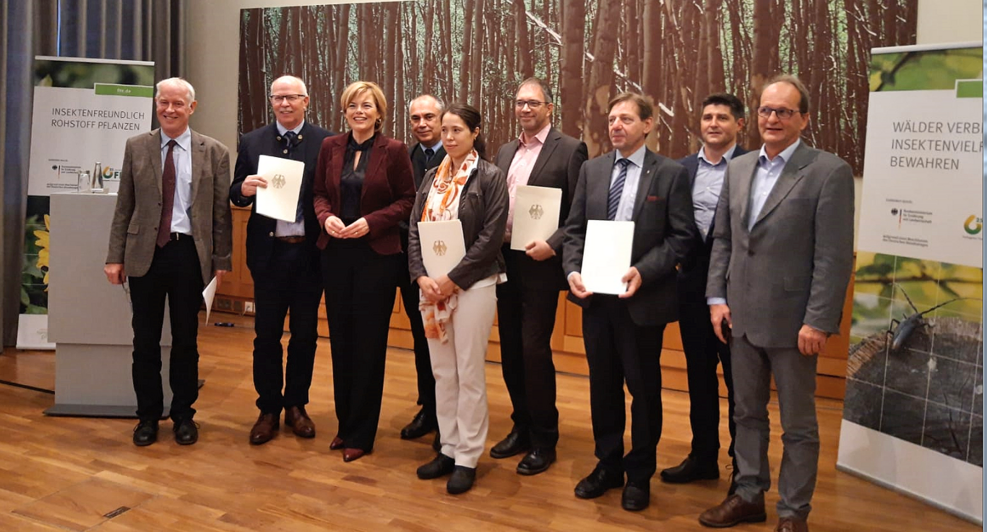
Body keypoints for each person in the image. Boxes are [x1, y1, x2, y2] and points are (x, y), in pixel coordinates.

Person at [699, 75, 854, 532]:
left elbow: (833, 256)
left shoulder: (828, 171)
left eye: (784, 111)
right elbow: (724, 240)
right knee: (745, 413)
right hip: (740, 317)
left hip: (794, 326)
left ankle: (793, 513)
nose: (772, 119)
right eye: (766, 110)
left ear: (803, 118)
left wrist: (819, 321)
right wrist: (716, 298)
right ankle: (749, 494)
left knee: (798, 426)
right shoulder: (740, 168)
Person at [562, 93, 697, 511]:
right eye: (612, 119)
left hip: (642, 301)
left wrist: (644, 271)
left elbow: (681, 237)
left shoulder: (670, 174)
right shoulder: (592, 169)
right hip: (597, 300)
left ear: (648, 124)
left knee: (643, 390)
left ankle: (639, 474)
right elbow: (573, 232)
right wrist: (572, 272)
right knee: (602, 387)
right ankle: (608, 464)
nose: (615, 125)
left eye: (625, 119)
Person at [105, 77, 232, 446]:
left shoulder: (214, 152)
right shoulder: (136, 146)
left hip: (189, 256)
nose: (170, 110)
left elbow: (221, 214)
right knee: (143, 341)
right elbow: (123, 206)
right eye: (164, 102)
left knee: (185, 341)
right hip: (144, 256)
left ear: (192, 108)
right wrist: (114, 257)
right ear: (156, 104)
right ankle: (147, 416)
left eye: (178, 104)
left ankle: (183, 415)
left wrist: (221, 263)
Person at [312, 81, 416, 462]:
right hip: (336, 253)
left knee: (368, 344)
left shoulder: (395, 151)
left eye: (367, 105)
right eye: (353, 105)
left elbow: (408, 200)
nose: (359, 110)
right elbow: (319, 193)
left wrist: (372, 222)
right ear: (345, 110)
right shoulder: (330, 147)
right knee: (340, 340)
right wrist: (326, 219)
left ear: (379, 112)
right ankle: (344, 424)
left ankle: (362, 433)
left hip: (377, 256)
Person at [408, 103, 508, 495]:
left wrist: (452, 280)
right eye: (445, 130)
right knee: (442, 373)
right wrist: (421, 276)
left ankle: (468, 455)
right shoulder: (432, 176)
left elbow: (490, 238)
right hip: (431, 288)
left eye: (457, 131)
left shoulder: (490, 177)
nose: (448, 137)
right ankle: (448, 447)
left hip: (475, 285)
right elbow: (415, 232)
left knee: (469, 373)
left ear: (475, 132)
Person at [490, 77, 587, 475]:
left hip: (542, 264)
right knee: (510, 350)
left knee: (533, 350)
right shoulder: (505, 150)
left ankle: (545, 438)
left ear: (550, 108)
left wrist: (555, 243)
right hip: (505, 261)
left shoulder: (570, 150)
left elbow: (580, 212)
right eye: (519, 103)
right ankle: (521, 426)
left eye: (533, 103)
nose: (525, 109)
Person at [229, 75, 333, 445]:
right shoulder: (252, 140)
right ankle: (268, 408)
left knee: (305, 335)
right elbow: (236, 190)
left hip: (309, 254)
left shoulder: (327, 142)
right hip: (268, 255)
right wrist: (241, 190)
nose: (284, 104)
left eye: (292, 97)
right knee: (266, 336)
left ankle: (297, 406)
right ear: (271, 101)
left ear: (306, 100)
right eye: (278, 98)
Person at [661, 93, 747, 489]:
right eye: (708, 116)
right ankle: (703, 456)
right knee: (699, 377)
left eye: (723, 118)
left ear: (740, 125)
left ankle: (742, 468)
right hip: (690, 289)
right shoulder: (680, 170)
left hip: (736, 293)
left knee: (738, 383)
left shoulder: (752, 169)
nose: (714, 123)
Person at [398, 94, 446, 447]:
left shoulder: (460, 155)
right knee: (421, 337)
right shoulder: (407, 156)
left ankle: (448, 416)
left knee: (446, 342)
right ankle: (428, 407)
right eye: (415, 118)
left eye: (429, 117)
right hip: (411, 263)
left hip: (448, 266)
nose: (422, 124)